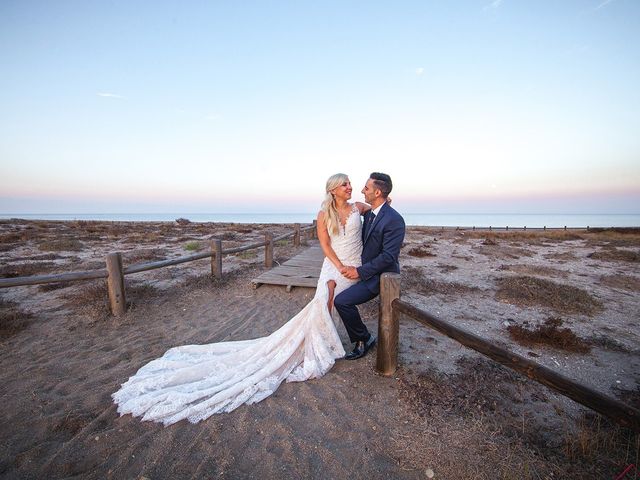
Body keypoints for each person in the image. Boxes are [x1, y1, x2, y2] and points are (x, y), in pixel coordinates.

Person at [112, 173, 371, 425]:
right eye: (345, 184)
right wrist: (338, 266)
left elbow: (381, 207)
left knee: (333, 303)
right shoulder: (324, 214)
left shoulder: (358, 207)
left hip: (356, 265)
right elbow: (325, 245)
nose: (350, 187)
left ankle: (341, 339)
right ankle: (320, 345)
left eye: (350, 183)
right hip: (334, 265)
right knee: (322, 303)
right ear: (333, 189)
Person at [335, 172, 406, 360]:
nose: (361, 190)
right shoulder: (370, 214)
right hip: (365, 269)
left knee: (342, 301)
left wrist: (359, 271)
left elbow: (389, 256)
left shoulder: (394, 220)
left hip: (381, 276)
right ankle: (364, 337)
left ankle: (363, 338)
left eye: (366, 188)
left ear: (377, 192)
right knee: (333, 295)